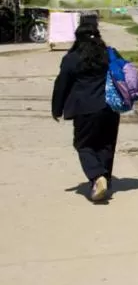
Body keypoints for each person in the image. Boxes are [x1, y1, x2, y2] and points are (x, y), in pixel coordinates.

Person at [51, 22, 123, 202]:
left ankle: (97, 176)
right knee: (106, 144)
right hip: (110, 108)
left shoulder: (72, 58)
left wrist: (57, 109)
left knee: (83, 145)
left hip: (85, 109)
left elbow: (61, 86)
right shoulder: (109, 54)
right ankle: (104, 179)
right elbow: (125, 73)